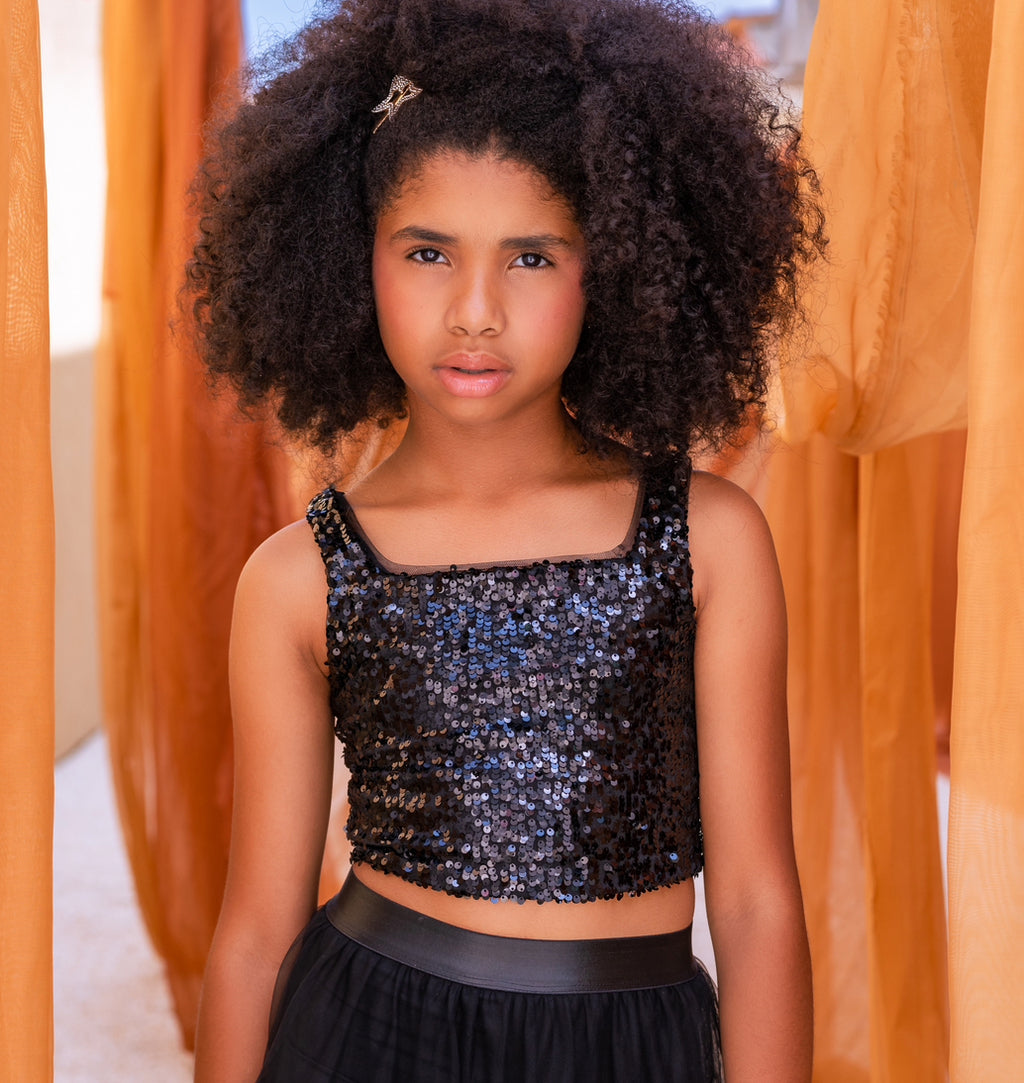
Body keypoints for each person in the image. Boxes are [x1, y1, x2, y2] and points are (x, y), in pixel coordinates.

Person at [188, 0, 825, 1078]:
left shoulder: (708, 538)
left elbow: (760, 903)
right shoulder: (296, 577)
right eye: (428, 252)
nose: (475, 310)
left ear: (612, 269)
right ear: (348, 260)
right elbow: (255, 933)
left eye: (530, 256)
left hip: (631, 1046)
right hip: (369, 1032)